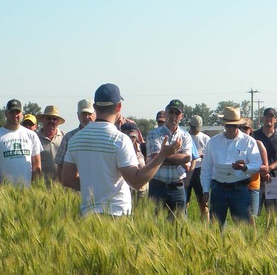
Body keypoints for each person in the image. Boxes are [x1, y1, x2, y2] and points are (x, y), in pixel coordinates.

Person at [61, 83, 181, 217]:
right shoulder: (120, 140)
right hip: (116, 214)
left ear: (95, 107)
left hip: (87, 214)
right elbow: (136, 181)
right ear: (118, 107)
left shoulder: (75, 139)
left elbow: (67, 179)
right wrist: (162, 156)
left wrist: (94, 189)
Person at [200, 107, 263, 227]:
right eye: (228, 125)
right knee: (216, 227)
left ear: (238, 126)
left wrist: (244, 168)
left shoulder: (249, 141)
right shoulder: (213, 142)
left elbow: (256, 164)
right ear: (224, 124)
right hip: (218, 188)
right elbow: (206, 168)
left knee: (243, 227)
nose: (231, 128)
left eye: (234, 126)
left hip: (239, 188)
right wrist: (205, 190)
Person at [145, 99, 193, 215]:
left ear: (181, 116)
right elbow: (156, 158)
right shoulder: (154, 133)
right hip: (157, 186)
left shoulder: (185, 136)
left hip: (177, 187)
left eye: (177, 113)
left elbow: (187, 158)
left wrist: (164, 155)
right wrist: (176, 158)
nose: (173, 116)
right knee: (154, 227)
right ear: (166, 113)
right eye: (171, 112)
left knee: (179, 228)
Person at [0, 99, 43, 186]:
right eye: (12, 112)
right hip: (4, 190)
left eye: (18, 112)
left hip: (27, 189)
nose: (15, 115)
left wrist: (35, 185)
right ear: (6, 113)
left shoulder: (32, 135)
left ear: (22, 114)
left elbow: (37, 164)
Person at [253, 107, 277, 215]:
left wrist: (269, 168)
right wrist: (262, 170)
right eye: (267, 116)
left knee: (273, 214)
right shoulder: (254, 135)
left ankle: (270, 233)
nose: (269, 119)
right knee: (253, 213)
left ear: (275, 119)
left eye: (271, 117)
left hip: (274, 178)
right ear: (263, 118)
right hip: (256, 178)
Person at [55, 99, 96, 180]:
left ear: (95, 114)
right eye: (84, 114)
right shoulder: (69, 137)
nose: (87, 117)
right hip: (74, 187)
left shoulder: (102, 135)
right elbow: (60, 164)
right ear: (78, 115)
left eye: (89, 114)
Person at [239, 118, 269, 221]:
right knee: (239, 220)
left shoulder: (258, 144)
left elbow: (266, 167)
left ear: (250, 129)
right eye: (240, 127)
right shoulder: (234, 144)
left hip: (252, 186)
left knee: (251, 219)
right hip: (236, 185)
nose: (242, 130)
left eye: (245, 128)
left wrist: (247, 166)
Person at [186, 114, 211, 221]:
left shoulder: (206, 138)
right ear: (189, 125)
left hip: (200, 171)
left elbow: (211, 156)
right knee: (184, 202)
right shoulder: (184, 136)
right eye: (193, 128)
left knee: (203, 203)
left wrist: (202, 156)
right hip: (186, 170)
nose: (195, 130)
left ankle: (205, 227)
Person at [36, 105, 66, 183]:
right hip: (42, 186)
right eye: (48, 118)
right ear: (43, 120)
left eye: (54, 119)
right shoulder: (35, 138)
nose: (51, 121)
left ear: (58, 121)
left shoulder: (65, 137)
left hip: (62, 186)